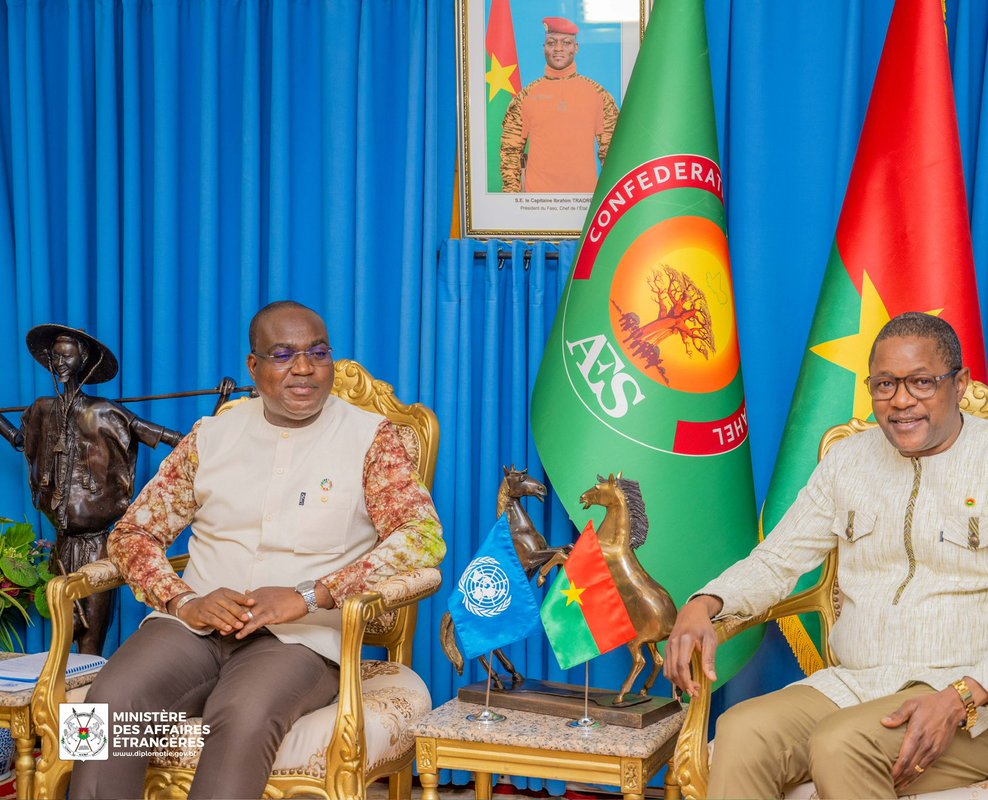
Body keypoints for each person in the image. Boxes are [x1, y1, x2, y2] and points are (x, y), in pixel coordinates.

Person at [663, 312, 988, 799]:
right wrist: (706, 602)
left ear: (961, 383)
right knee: (743, 730)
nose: (901, 400)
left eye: (922, 382)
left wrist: (962, 694)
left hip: (978, 708)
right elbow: (776, 561)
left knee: (840, 744)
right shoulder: (848, 460)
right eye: (885, 384)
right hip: (854, 685)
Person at [70, 301, 445, 800]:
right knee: (107, 704)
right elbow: (133, 534)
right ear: (254, 366)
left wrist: (313, 594)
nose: (305, 368)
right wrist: (184, 601)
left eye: (318, 352)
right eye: (284, 354)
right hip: (192, 624)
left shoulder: (371, 438)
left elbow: (421, 537)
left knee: (241, 715)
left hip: (300, 639)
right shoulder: (211, 435)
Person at [0, 325, 186, 654]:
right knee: (60, 642)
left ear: (83, 360)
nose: (59, 362)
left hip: (97, 546)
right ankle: (62, 706)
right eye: (55, 355)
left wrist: (222, 404)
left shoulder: (106, 412)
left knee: (91, 642)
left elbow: (182, 444)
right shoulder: (42, 410)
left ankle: (87, 708)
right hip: (61, 546)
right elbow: (19, 440)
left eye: (67, 355)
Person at [500, 16, 619, 193]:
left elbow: (613, 154)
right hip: (537, 206)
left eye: (566, 42)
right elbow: (510, 152)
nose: (558, 49)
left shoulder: (599, 95)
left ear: (576, 48)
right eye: (551, 42)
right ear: (544, 48)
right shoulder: (525, 96)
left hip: (584, 207)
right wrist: (513, 202)